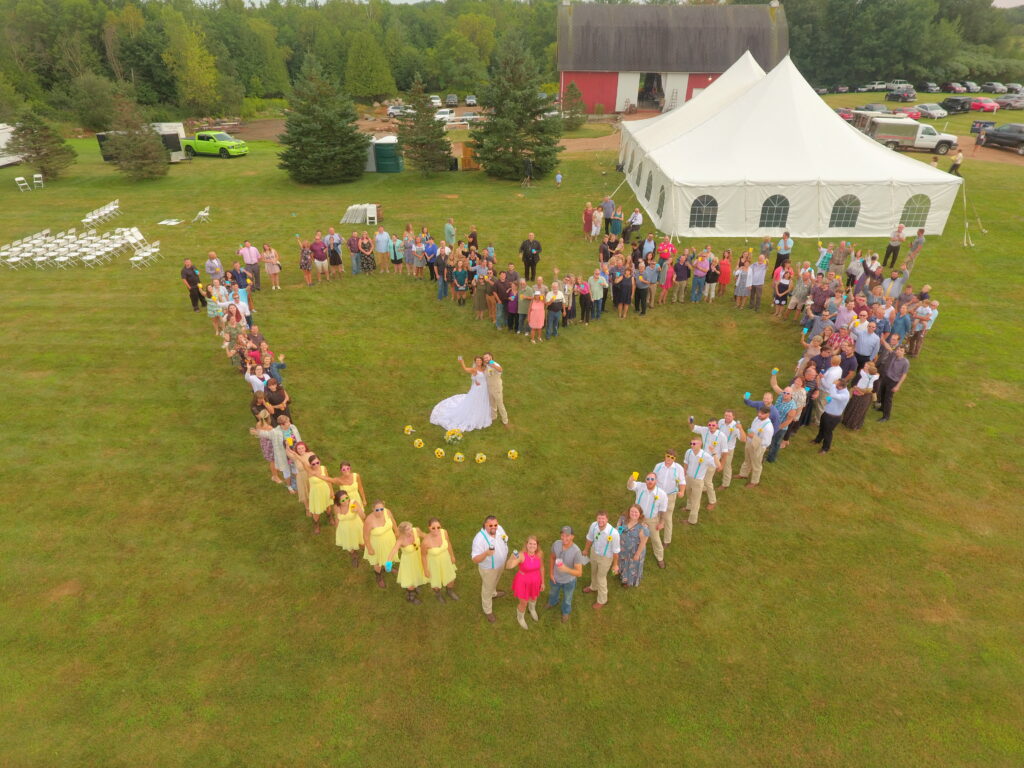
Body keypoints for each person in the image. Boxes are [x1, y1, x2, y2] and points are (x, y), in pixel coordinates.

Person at [429, 355, 492, 432]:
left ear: (482, 361)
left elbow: (490, 370)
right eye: (477, 361)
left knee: (482, 401)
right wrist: (462, 362)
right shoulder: (474, 370)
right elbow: (465, 369)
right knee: (475, 402)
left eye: (480, 360)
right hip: (478, 389)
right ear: (475, 362)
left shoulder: (484, 368)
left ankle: (481, 413)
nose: (478, 362)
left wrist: (490, 361)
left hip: (484, 388)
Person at [471, 515, 509, 623]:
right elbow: (475, 559)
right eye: (490, 525)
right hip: (489, 569)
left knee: (495, 581)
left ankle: (494, 593)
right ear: (485, 525)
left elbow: (504, 538)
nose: (494, 527)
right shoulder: (479, 539)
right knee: (487, 588)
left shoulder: (499, 529)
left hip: (500, 565)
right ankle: (487, 610)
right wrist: (486, 553)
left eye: (495, 525)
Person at [626, 472, 667, 568]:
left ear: (656, 481)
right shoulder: (640, 486)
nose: (650, 481)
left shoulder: (662, 494)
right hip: (638, 518)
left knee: (656, 540)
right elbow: (629, 486)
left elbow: (663, 510)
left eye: (652, 479)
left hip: (652, 520)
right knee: (634, 535)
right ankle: (634, 552)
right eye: (648, 479)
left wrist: (661, 522)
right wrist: (631, 479)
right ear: (645, 480)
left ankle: (660, 558)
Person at [581, 512, 620, 610]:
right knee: (593, 571)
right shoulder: (594, 526)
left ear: (607, 520)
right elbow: (589, 539)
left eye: (603, 519)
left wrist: (615, 565)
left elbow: (616, 551)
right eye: (599, 518)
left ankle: (602, 600)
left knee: (601, 577)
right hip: (594, 552)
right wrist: (586, 550)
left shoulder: (614, 533)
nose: (600, 521)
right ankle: (593, 587)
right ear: (596, 518)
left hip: (606, 558)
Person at [547, 526, 583, 623]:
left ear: (572, 537)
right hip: (555, 577)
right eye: (562, 535)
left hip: (569, 581)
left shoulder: (576, 551)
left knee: (567, 598)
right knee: (553, 593)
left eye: (567, 536)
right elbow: (552, 558)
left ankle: (565, 611)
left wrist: (565, 569)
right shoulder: (556, 544)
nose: (564, 538)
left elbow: (579, 573)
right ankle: (552, 602)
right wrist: (551, 573)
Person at [507, 535, 544, 628]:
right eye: (530, 543)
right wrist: (512, 558)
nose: (532, 546)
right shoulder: (521, 555)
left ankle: (532, 609)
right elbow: (509, 566)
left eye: (534, 544)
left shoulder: (539, 554)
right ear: (526, 545)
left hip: (535, 581)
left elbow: (542, 567)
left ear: (537, 545)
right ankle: (520, 617)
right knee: (523, 603)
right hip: (523, 582)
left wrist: (543, 582)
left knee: (534, 598)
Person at [387, 522, 428, 604]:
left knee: (418, 573)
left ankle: (415, 586)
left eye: (410, 527)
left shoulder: (416, 531)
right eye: (408, 529)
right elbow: (393, 551)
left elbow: (425, 536)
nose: (411, 530)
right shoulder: (401, 540)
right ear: (403, 532)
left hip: (418, 557)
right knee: (410, 580)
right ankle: (411, 596)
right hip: (408, 562)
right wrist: (389, 564)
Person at [651, 450, 686, 546]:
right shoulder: (658, 466)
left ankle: (667, 540)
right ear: (665, 456)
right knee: (655, 514)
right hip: (657, 494)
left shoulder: (678, 468)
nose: (669, 459)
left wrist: (682, 491)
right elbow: (653, 477)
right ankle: (654, 535)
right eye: (668, 456)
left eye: (672, 457)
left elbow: (682, 481)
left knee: (667, 517)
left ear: (674, 459)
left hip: (670, 495)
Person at [362, 501, 399, 589]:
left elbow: (393, 521)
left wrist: (396, 531)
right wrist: (369, 548)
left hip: (389, 540)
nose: (380, 512)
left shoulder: (387, 512)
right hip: (377, 545)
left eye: (381, 509)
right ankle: (378, 576)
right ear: (373, 509)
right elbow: (365, 536)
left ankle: (388, 568)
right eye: (377, 510)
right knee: (378, 563)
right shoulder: (369, 520)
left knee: (389, 556)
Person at [421, 517, 458, 603]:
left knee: (451, 579)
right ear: (429, 528)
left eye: (438, 527)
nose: (436, 530)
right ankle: (438, 594)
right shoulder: (425, 542)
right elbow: (423, 556)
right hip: (434, 563)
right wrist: (426, 570)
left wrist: (452, 556)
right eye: (433, 528)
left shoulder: (444, 532)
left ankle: (449, 591)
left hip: (446, 560)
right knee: (436, 582)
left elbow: (448, 543)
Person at [683, 437, 719, 525]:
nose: (692, 445)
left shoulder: (706, 456)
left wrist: (714, 453)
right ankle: (688, 507)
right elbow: (686, 463)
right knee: (688, 494)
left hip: (698, 481)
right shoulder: (688, 452)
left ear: (700, 444)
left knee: (696, 501)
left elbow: (718, 465)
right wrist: (684, 474)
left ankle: (692, 520)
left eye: (694, 444)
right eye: (691, 443)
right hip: (688, 478)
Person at [737, 407, 773, 487]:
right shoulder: (757, 418)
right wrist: (750, 434)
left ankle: (754, 481)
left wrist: (754, 437)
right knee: (747, 459)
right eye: (759, 412)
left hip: (758, 447)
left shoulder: (768, 427)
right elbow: (752, 428)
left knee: (756, 464)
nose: (759, 415)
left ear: (768, 414)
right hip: (749, 442)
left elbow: (766, 442)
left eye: (762, 414)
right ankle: (743, 474)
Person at [617, 505, 650, 588]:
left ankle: (629, 581)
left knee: (631, 565)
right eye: (632, 511)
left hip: (635, 550)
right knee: (623, 561)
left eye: (636, 512)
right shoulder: (623, 519)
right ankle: (622, 574)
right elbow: (618, 528)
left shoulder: (643, 527)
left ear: (640, 514)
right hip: (623, 548)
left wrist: (637, 554)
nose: (633, 514)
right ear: (629, 512)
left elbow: (643, 542)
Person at [331, 489, 365, 568]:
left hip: (356, 527)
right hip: (345, 529)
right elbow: (337, 518)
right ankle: (354, 556)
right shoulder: (336, 507)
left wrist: (357, 511)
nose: (346, 501)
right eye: (343, 500)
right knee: (349, 545)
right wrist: (338, 530)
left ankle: (367, 552)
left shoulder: (352, 503)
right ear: (338, 502)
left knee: (362, 543)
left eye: (347, 498)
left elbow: (363, 516)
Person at [270, 415, 301, 494]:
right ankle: (289, 486)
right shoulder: (277, 433)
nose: (290, 423)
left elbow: (298, 439)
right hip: (284, 456)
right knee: (286, 472)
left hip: (294, 453)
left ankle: (297, 484)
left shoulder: (292, 427)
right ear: (282, 425)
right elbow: (276, 446)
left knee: (295, 469)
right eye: (287, 422)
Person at [842, 362, 878, 430]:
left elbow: (875, 389)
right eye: (864, 366)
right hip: (856, 394)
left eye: (867, 367)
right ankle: (846, 421)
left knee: (859, 411)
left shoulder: (874, 378)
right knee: (851, 407)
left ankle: (854, 424)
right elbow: (853, 383)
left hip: (865, 397)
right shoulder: (860, 375)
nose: (865, 368)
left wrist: (865, 391)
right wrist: (857, 388)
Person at [248, 410, 281, 484]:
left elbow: (259, 433)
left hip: (264, 443)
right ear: (268, 417)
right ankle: (275, 476)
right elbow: (274, 436)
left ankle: (276, 473)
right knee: (273, 461)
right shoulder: (269, 427)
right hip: (270, 445)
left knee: (273, 460)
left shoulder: (258, 424)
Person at [877, 346, 909, 422]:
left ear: (904, 352)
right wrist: (882, 340)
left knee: (888, 399)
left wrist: (897, 386)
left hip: (893, 381)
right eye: (898, 349)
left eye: (901, 350)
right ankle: (882, 407)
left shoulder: (905, 362)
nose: (898, 351)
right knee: (882, 394)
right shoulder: (894, 355)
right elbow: (888, 348)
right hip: (886, 378)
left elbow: (904, 375)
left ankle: (886, 416)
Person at [481, 353, 509, 428]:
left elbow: (500, 370)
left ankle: (505, 421)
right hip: (489, 388)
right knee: (492, 403)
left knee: (500, 404)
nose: (485, 359)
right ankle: (493, 417)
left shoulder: (495, 364)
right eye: (484, 358)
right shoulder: (485, 366)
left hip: (497, 388)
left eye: (487, 357)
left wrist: (492, 365)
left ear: (490, 357)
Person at [718, 411, 743, 489]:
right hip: (718, 447)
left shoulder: (736, 426)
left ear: (733, 417)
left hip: (728, 450)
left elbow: (743, 439)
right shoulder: (721, 421)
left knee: (726, 466)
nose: (727, 417)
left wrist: (741, 429)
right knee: (712, 462)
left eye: (729, 416)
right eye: (726, 415)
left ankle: (725, 484)